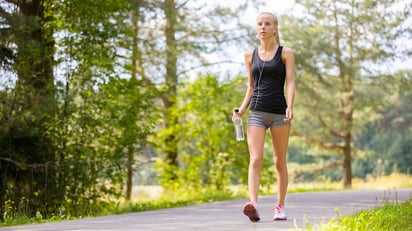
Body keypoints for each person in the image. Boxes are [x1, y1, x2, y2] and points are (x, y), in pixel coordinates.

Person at [233, 11, 295, 222]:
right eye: (260, 24)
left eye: (267, 24)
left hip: (280, 112)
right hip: (257, 112)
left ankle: (280, 206)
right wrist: (241, 110)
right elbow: (250, 86)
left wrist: (291, 106)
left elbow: (291, 82)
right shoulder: (250, 55)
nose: (263, 27)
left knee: (279, 161)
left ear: (275, 28)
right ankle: (253, 204)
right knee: (256, 158)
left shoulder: (286, 53)